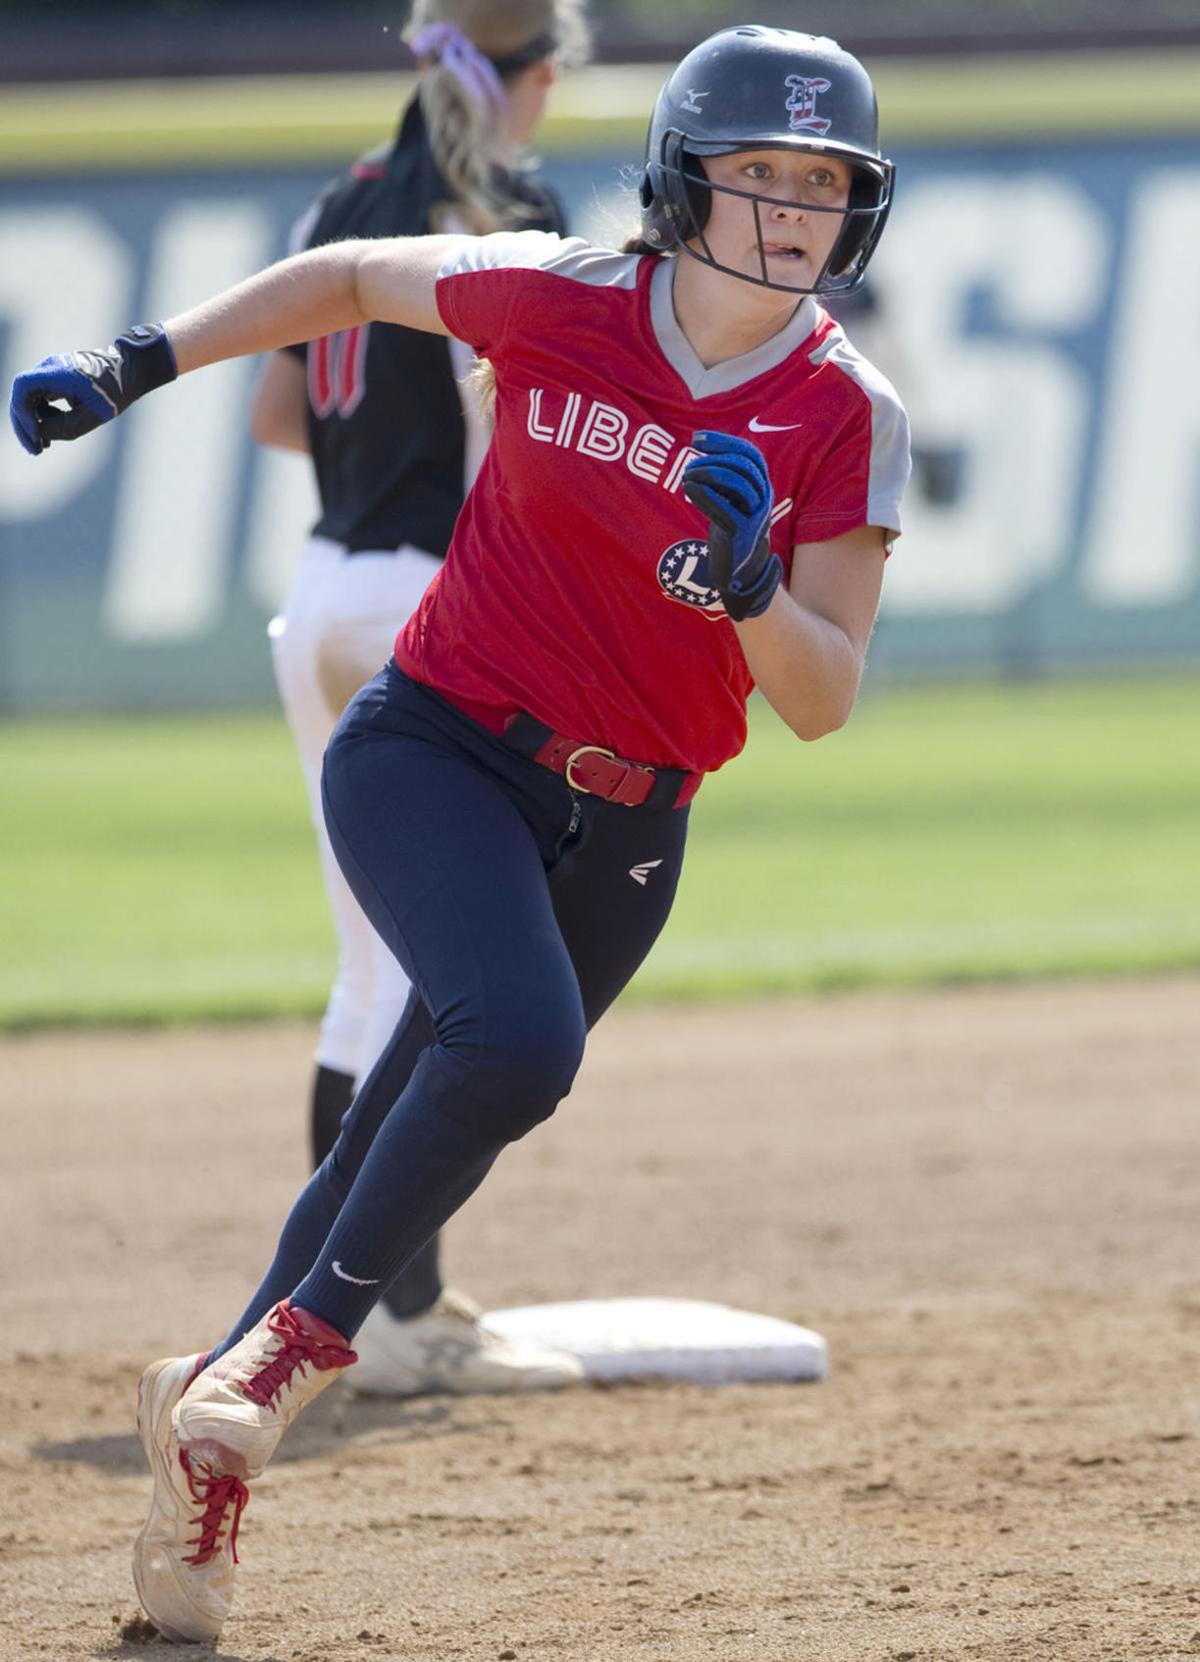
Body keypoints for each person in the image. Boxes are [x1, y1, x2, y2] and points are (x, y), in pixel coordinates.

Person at [10, 25, 910, 1647]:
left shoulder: (850, 410)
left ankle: (208, 1419)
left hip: (633, 825)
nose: (792, 206)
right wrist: (136, 361)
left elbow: (823, 696)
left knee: (396, 1128)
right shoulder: (564, 293)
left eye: (824, 179)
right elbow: (351, 275)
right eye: (759, 169)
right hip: (435, 745)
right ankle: (278, 1371)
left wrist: (751, 587)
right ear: (684, 178)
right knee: (517, 1045)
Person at [251, 0, 588, 1399]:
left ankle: (370, 1305)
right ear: (534, 74)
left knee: (370, 971)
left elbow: (277, 415)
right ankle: (393, 1308)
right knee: (461, 987)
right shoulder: (516, 212)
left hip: (323, 590)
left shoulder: (343, 203)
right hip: (441, 606)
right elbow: (522, 427)